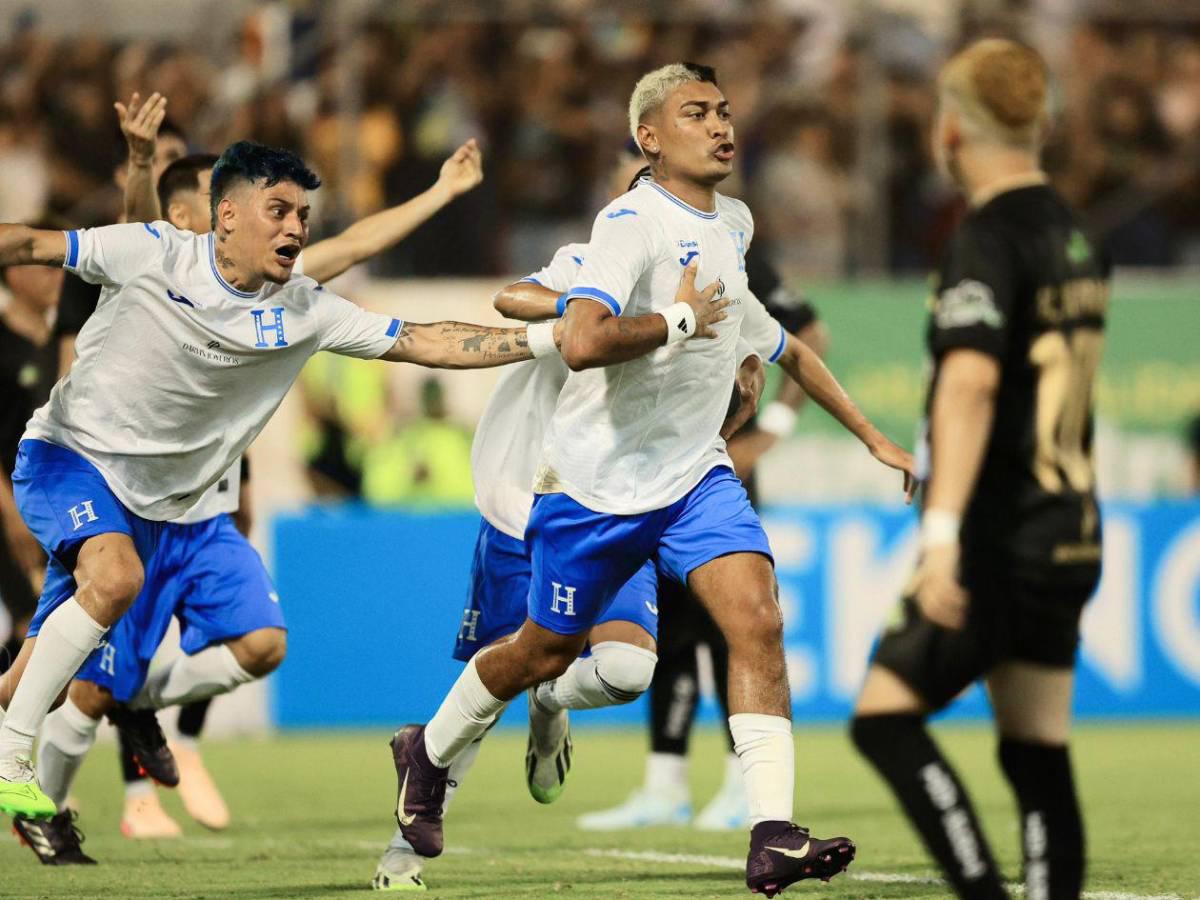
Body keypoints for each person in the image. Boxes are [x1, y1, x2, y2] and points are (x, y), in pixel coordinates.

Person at [389, 63, 915, 897]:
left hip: (693, 477)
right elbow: (582, 341)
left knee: (758, 620)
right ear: (649, 138)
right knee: (541, 653)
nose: (720, 125)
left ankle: (772, 834)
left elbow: (782, 343)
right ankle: (429, 751)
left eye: (724, 111)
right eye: (696, 113)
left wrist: (875, 438)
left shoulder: (733, 224)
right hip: (593, 487)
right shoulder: (628, 223)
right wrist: (677, 320)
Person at [0, 139, 555, 862]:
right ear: (226, 215)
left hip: (163, 506)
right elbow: (31, 243)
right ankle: (13, 758)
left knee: (35, 680)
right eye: (279, 210)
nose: (296, 227)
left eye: (303, 215)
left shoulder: (306, 310)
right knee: (116, 579)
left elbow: (428, 340)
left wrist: (551, 339)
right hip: (68, 458)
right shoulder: (154, 252)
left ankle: (33, 724)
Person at [371, 228, 765, 892]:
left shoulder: (709, 287)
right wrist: (584, 312)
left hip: (616, 507)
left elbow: (768, 357)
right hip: (523, 504)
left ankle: (550, 697)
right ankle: (404, 847)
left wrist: (748, 396)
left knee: (628, 670)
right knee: (490, 688)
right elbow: (513, 296)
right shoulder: (596, 262)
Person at [850, 39, 1109, 900]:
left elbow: (969, 387)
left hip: (1001, 536)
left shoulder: (985, 238)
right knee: (1036, 752)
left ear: (952, 129)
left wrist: (941, 538)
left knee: (885, 720)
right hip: (1071, 528)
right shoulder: (1074, 232)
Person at [577, 244, 827, 833]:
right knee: (668, 624)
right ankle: (666, 782)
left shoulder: (730, 250)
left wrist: (769, 432)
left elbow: (809, 333)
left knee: (729, 619)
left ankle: (743, 782)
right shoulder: (634, 246)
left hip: (716, 467)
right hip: (653, 470)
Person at [0, 236, 62, 676]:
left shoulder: (69, 343)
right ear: (15, 272)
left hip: (58, 505)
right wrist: (10, 513)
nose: (55, 279)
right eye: (44, 268)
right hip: (9, 508)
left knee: (56, 630)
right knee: (28, 627)